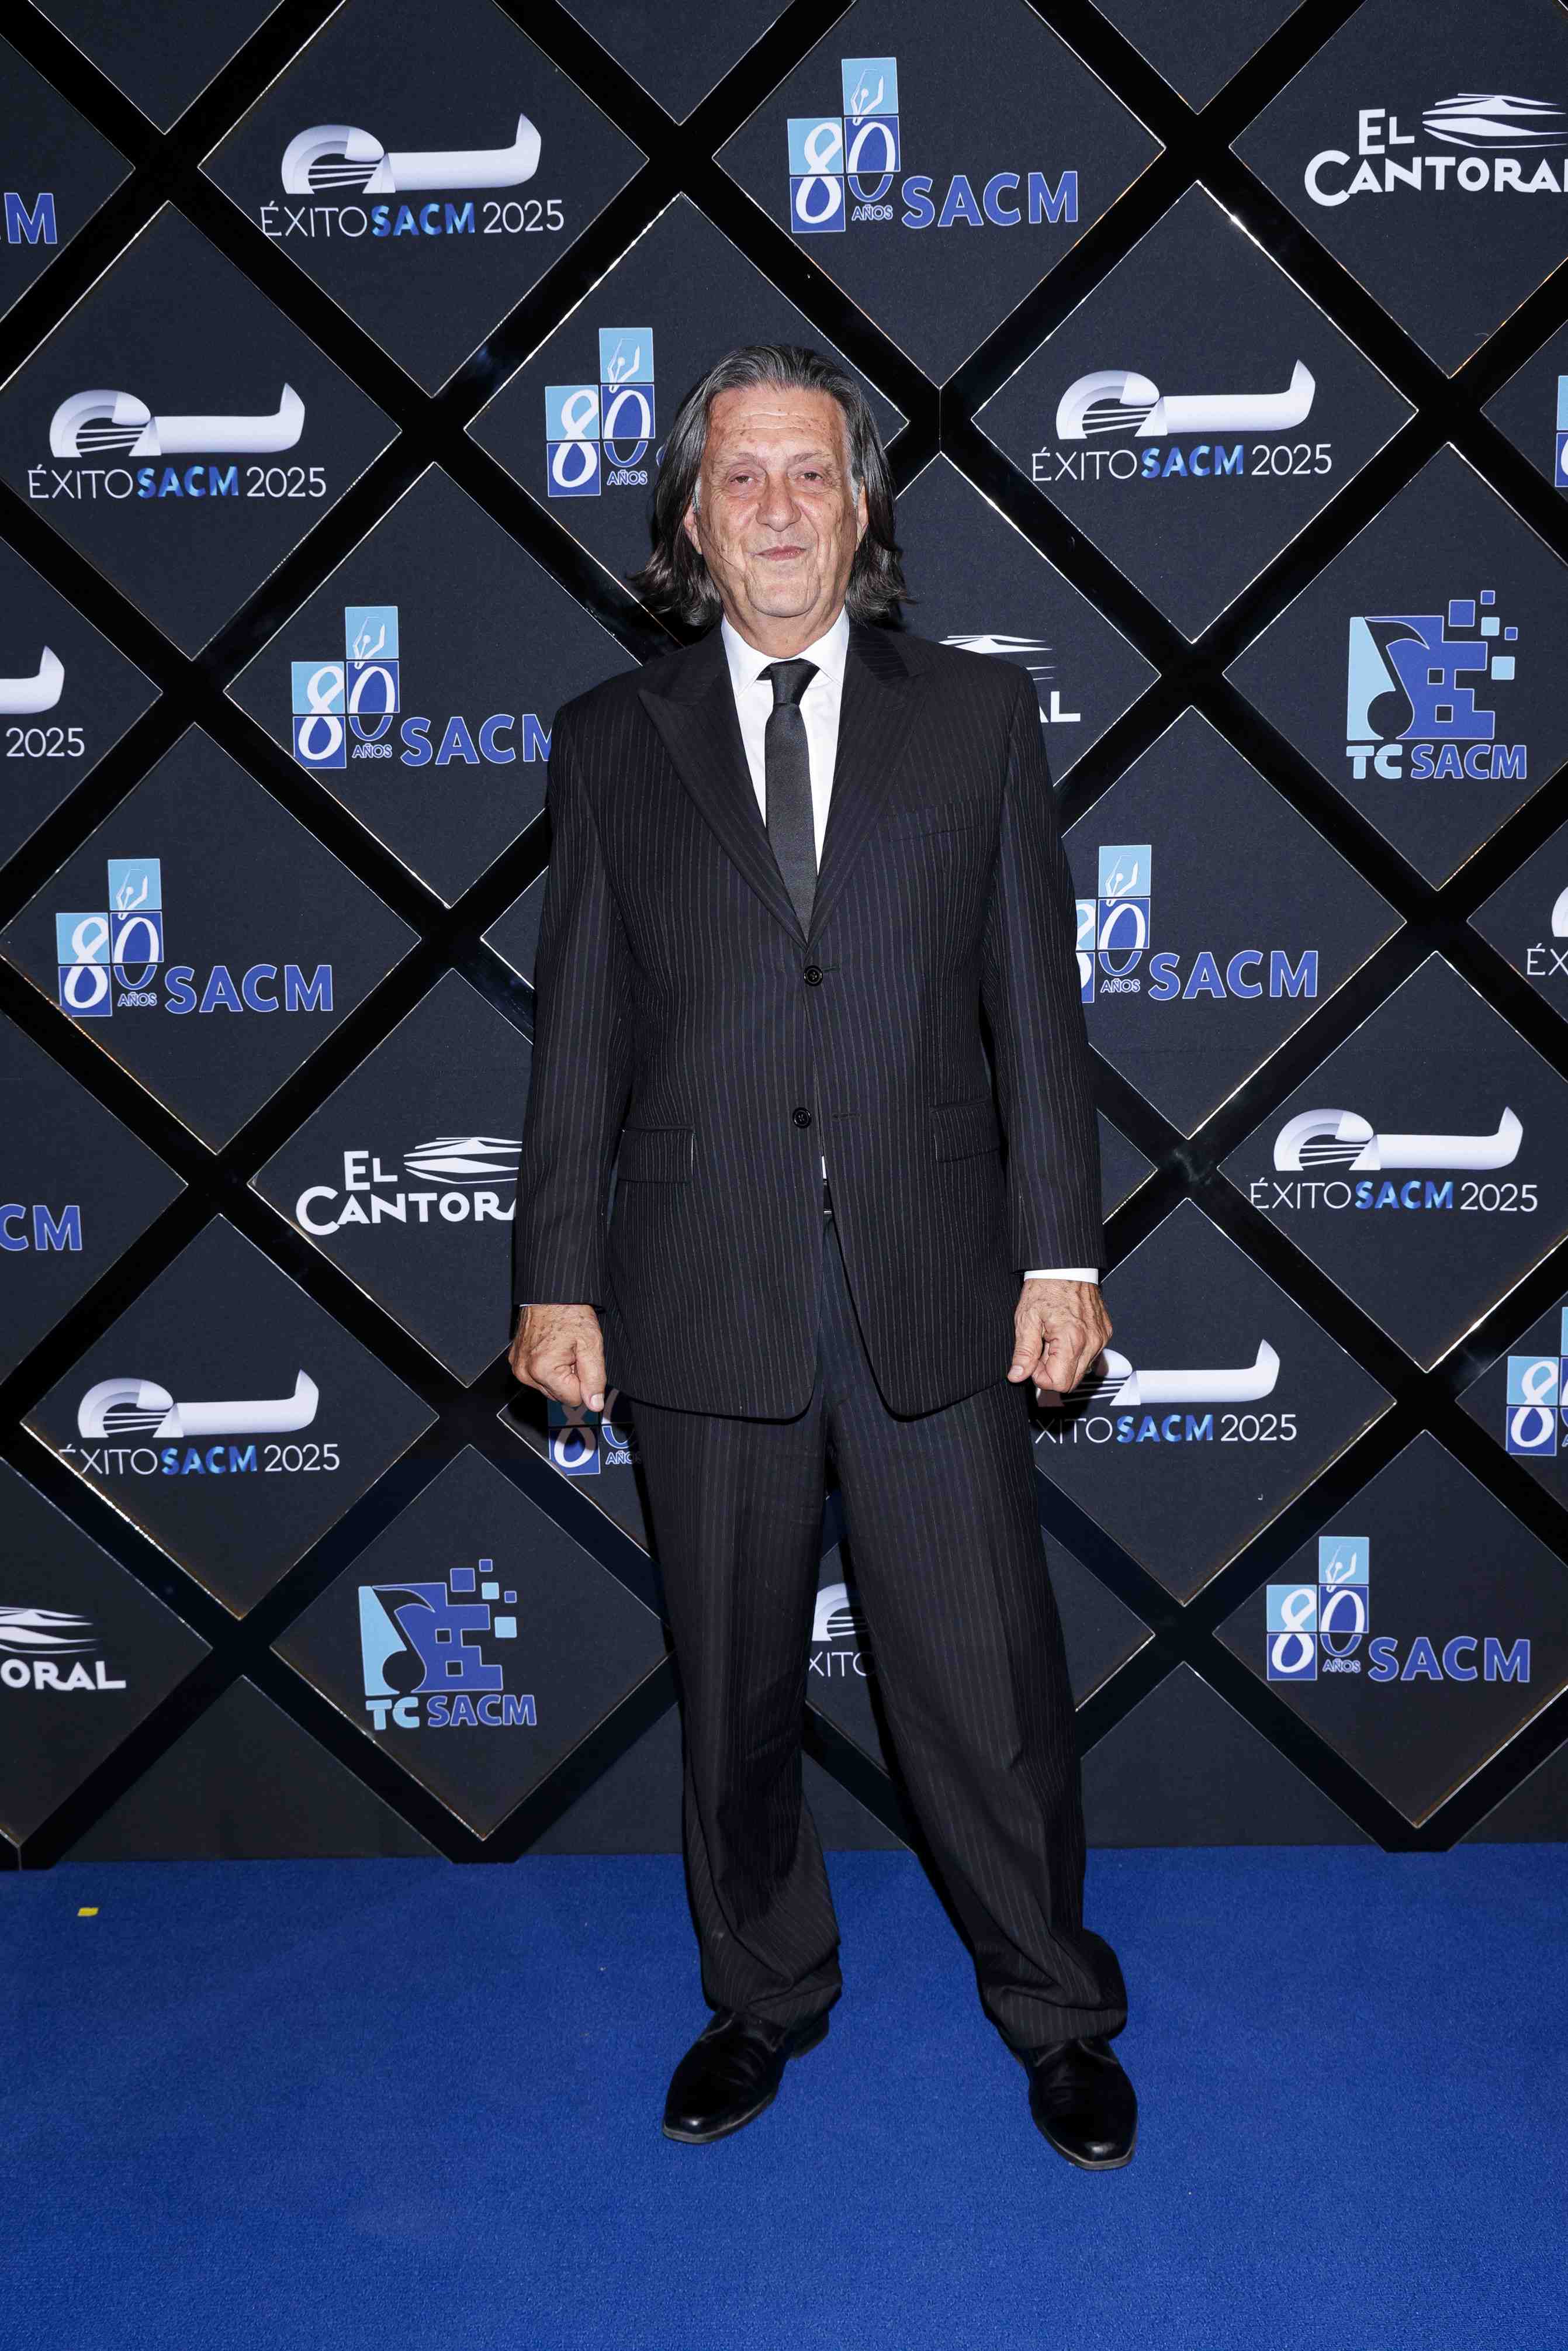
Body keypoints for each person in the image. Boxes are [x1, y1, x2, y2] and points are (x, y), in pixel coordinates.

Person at [509, 343, 1136, 2170]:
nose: (777, 508)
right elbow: (579, 1035)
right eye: (741, 479)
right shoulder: (609, 740)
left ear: (860, 511)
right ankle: (759, 1995)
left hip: (935, 1284)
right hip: (698, 1284)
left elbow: (1035, 1011)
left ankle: (1055, 2009)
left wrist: (1060, 1250)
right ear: (689, 525)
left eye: (810, 474)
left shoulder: (976, 719)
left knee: (985, 1691)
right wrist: (554, 1275)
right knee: (733, 1690)